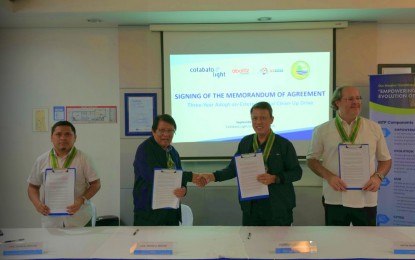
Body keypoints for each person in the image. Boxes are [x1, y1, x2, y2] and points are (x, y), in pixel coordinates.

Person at [196, 101, 302, 226]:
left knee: (275, 245)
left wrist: (274, 178)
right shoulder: (246, 142)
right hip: (251, 207)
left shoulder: (284, 144)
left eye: (263, 118)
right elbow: (233, 169)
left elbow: (297, 172)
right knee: (251, 244)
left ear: (272, 119)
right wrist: (212, 176)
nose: (258, 122)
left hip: (278, 207)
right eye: (254, 118)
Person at [306, 86, 392, 226]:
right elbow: (311, 160)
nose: (356, 102)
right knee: (336, 242)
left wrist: (378, 177)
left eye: (358, 98)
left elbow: (386, 160)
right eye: (350, 99)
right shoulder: (322, 130)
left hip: (366, 196)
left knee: (367, 242)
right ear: (337, 102)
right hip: (335, 197)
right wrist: (329, 176)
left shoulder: (374, 128)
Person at [27, 121, 101, 228]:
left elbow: (96, 184)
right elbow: (32, 187)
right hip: (51, 221)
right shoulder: (41, 160)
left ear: (75, 137)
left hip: (80, 219)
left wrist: (82, 199)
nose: (63, 138)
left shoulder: (84, 159)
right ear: (51, 137)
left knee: (82, 245)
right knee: (52, 245)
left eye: (68, 134)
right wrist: (37, 204)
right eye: (58, 134)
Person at [133, 114, 196, 226]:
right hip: (149, 216)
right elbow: (157, 176)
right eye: (162, 130)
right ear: (153, 131)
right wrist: (191, 176)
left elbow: (180, 177)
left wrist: (184, 189)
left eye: (170, 131)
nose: (166, 135)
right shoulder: (145, 149)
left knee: (173, 243)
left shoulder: (173, 152)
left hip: (171, 214)